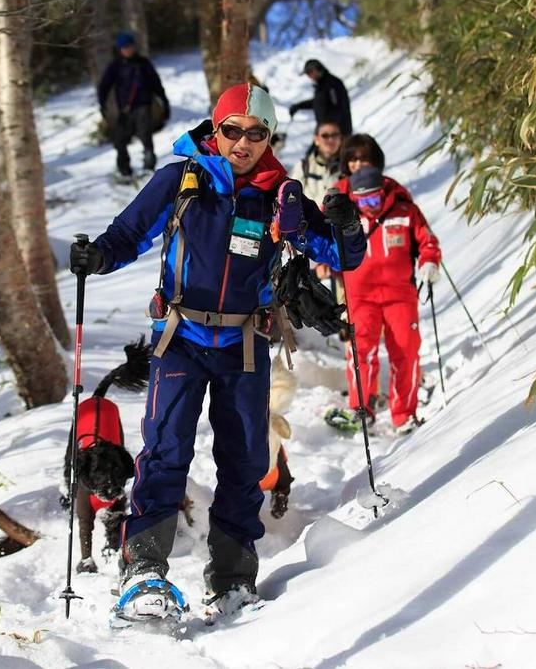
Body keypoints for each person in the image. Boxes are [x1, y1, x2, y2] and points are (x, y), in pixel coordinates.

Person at [70, 83, 365, 618]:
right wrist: (96, 257)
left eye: (257, 133)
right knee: (165, 453)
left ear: (268, 138)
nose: (244, 142)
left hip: (244, 344)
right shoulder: (183, 180)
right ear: (216, 128)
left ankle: (232, 580)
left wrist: (347, 226)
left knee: (245, 461)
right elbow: (129, 233)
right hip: (180, 339)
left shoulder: (282, 194)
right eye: (233, 130)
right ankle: (143, 574)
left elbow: (341, 255)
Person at [328, 134, 441, 433]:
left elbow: (427, 240)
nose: (370, 205)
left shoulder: (403, 209)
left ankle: (404, 414)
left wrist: (429, 261)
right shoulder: (343, 207)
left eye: (375, 198)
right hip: (360, 293)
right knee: (360, 349)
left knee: (405, 350)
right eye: (364, 200)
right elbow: (325, 240)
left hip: (399, 293)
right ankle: (361, 408)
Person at [97, 32, 170, 178]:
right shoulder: (116, 66)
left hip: (143, 105)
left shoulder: (143, 63)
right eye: (123, 47)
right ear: (119, 49)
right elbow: (104, 86)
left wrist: (164, 100)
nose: (126, 50)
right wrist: (102, 103)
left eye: (128, 46)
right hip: (124, 109)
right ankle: (124, 169)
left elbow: (156, 83)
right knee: (120, 139)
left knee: (145, 136)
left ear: (133, 47)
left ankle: (149, 167)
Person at [288, 59, 352, 136]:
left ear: (317, 70)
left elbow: (338, 108)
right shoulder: (321, 85)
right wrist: (298, 106)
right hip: (326, 132)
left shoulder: (332, 83)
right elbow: (319, 103)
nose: (309, 76)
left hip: (337, 133)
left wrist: (328, 128)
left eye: (309, 73)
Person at [290, 120, 343, 204]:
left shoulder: (348, 166)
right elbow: (290, 198)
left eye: (335, 135)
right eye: (325, 136)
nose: (331, 139)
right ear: (316, 139)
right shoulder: (303, 166)